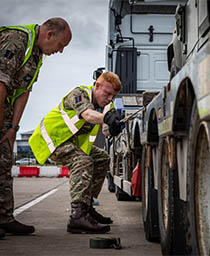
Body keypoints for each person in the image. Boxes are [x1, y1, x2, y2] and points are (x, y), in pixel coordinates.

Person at [0, 17, 72, 238]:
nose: (60, 51)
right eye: (61, 45)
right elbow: (0, 83)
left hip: (6, 116)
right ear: (49, 34)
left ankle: (4, 218)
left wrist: (13, 127)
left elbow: (24, 91)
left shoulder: (36, 54)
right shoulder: (17, 41)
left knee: (3, 164)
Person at [29, 72, 122, 234]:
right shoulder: (80, 94)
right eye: (107, 94)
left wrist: (113, 127)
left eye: (113, 96)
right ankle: (77, 216)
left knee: (102, 158)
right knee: (82, 161)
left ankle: (87, 208)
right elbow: (87, 114)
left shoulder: (107, 106)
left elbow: (106, 130)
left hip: (70, 142)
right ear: (97, 86)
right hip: (53, 140)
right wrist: (107, 119)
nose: (109, 99)